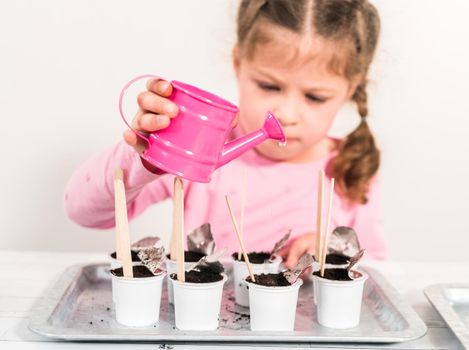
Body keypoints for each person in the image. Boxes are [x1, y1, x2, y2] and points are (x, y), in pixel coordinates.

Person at [64, 0, 387, 267]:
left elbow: (375, 269)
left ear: (350, 89)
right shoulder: (199, 151)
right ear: (238, 63)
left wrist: (334, 257)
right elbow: (83, 212)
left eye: (315, 97)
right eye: (268, 85)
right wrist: (144, 160)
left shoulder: (349, 165)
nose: (286, 114)